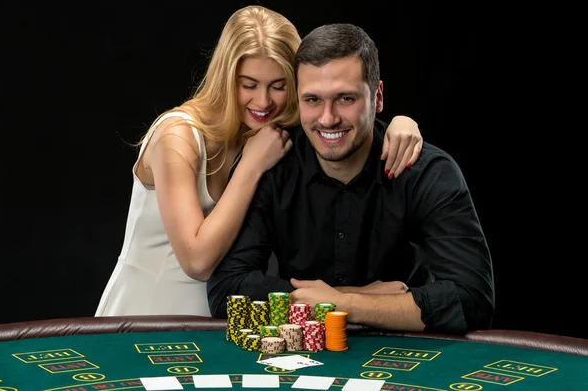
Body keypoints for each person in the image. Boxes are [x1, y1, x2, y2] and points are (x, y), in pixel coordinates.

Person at [95, 6, 424, 317]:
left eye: (278, 86)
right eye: (248, 85)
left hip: (220, 319)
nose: (263, 101)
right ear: (226, 78)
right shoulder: (177, 136)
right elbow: (197, 262)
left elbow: (347, 115)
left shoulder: (268, 135)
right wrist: (251, 166)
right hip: (145, 313)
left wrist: (400, 124)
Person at [206, 23, 495, 334]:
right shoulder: (272, 165)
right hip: (301, 352)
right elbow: (227, 291)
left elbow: (472, 300)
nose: (328, 118)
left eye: (345, 99)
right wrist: (355, 298)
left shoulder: (427, 172)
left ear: (378, 97)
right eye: (313, 100)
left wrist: (346, 304)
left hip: (403, 355)